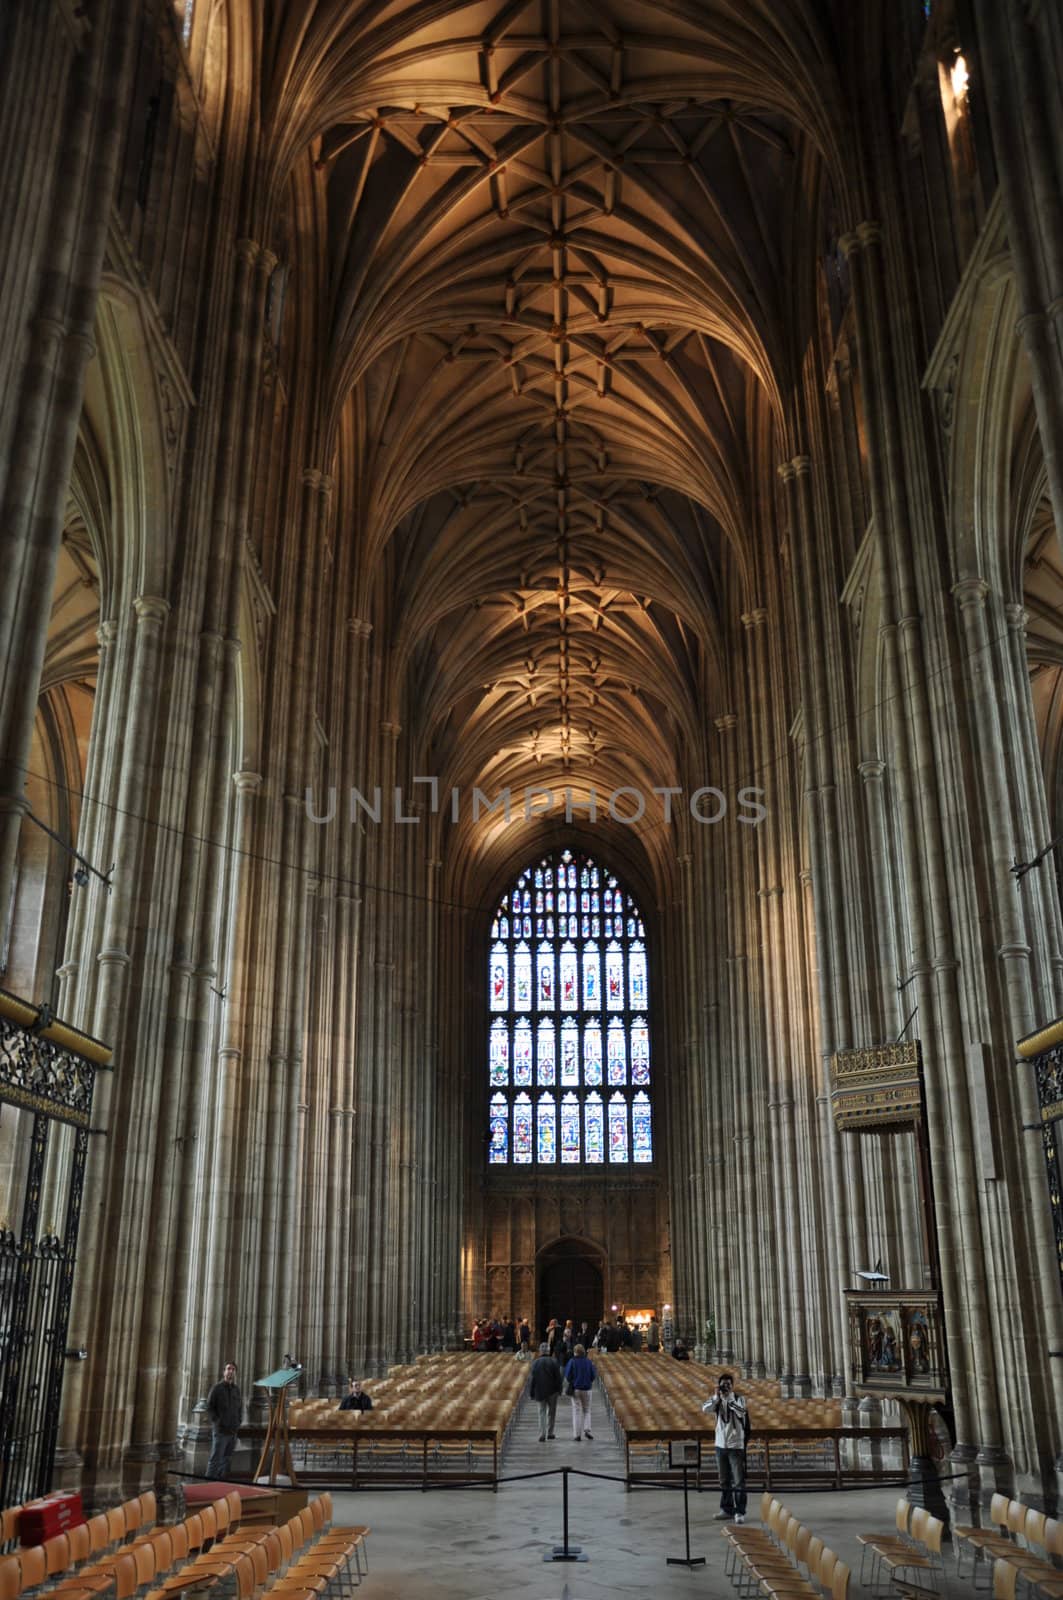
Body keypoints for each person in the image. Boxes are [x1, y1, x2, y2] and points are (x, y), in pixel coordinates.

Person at [702, 1371, 748, 1524]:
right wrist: (716, 1397)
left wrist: (729, 1399)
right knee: (724, 1480)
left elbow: (742, 1413)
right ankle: (727, 1509)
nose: (726, 1387)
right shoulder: (716, 1400)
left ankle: (740, 1511)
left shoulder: (739, 1399)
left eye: (728, 1384)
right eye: (723, 1385)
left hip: (736, 1445)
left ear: (732, 1386)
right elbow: (705, 1409)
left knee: (739, 1481)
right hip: (720, 1445)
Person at [205, 1361, 243, 1479]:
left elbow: (239, 1407)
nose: (230, 1371)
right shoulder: (217, 1388)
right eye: (228, 1369)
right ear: (224, 1372)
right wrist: (217, 1421)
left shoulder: (236, 1389)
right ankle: (207, 1484)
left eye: (233, 1369)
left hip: (233, 1431)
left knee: (226, 1460)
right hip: (221, 1431)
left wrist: (238, 1421)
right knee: (215, 1459)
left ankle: (220, 1483)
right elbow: (209, 1407)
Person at [529, 1341, 563, 1441]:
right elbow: (558, 1378)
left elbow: (533, 1379)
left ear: (540, 1351)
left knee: (541, 1413)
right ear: (549, 1351)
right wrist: (559, 1389)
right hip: (552, 1391)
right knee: (551, 1413)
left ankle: (542, 1434)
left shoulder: (535, 1362)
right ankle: (550, 1433)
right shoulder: (554, 1361)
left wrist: (531, 1392)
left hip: (539, 1391)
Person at [563, 1343, 596, 1441]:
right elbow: (593, 1375)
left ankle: (577, 1435)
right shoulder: (588, 1362)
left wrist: (572, 1381)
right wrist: (588, 1381)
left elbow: (568, 1375)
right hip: (587, 1389)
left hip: (576, 1389)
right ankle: (587, 1430)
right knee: (587, 1410)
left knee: (577, 1411)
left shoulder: (572, 1361)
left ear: (575, 1352)